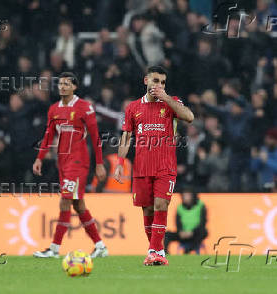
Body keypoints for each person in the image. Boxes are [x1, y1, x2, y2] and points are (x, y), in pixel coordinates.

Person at [114, 66, 194, 266]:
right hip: (141, 168)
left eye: (163, 82)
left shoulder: (171, 103)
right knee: (147, 211)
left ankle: (154, 251)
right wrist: (120, 163)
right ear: (145, 81)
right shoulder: (133, 107)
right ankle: (156, 251)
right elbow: (126, 137)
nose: (159, 85)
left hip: (165, 166)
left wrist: (166, 97)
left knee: (161, 205)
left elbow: (189, 117)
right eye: (156, 81)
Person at [32, 72, 108, 258]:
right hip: (63, 162)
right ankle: (100, 246)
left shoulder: (84, 107)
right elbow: (49, 135)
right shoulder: (54, 109)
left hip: (78, 161)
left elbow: (96, 137)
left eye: (67, 84)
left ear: (75, 87)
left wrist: (99, 164)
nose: (63, 87)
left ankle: (54, 249)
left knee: (65, 200)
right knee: (78, 204)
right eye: (60, 84)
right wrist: (39, 158)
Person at [164, 189, 208, 254]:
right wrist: (181, 232)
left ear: (193, 196)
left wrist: (192, 232)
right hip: (183, 234)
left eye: (188, 195)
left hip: (195, 233)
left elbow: (203, 222)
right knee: (167, 234)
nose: (186, 197)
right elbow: (177, 223)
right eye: (184, 195)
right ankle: (165, 253)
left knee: (203, 232)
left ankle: (188, 250)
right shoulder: (180, 207)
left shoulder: (200, 206)